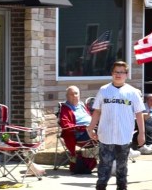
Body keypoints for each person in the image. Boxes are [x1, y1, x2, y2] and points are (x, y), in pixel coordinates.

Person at [88, 61, 146, 190]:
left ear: (126, 74)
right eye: (116, 72)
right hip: (106, 135)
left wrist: (141, 133)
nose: (118, 75)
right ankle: (101, 186)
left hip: (124, 136)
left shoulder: (132, 92)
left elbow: (139, 113)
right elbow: (97, 110)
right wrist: (91, 128)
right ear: (112, 73)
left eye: (121, 72)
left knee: (122, 166)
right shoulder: (104, 90)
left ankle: (122, 186)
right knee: (104, 165)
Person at [60, 85, 95, 171]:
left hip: (93, 130)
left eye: (76, 93)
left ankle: (117, 156)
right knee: (104, 133)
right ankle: (117, 157)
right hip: (80, 135)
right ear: (67, 96)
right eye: (71, 94)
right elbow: (65, 125)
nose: (74, 96)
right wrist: (84, 128)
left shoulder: (82, 105)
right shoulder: (65, 108)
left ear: (79, 95)